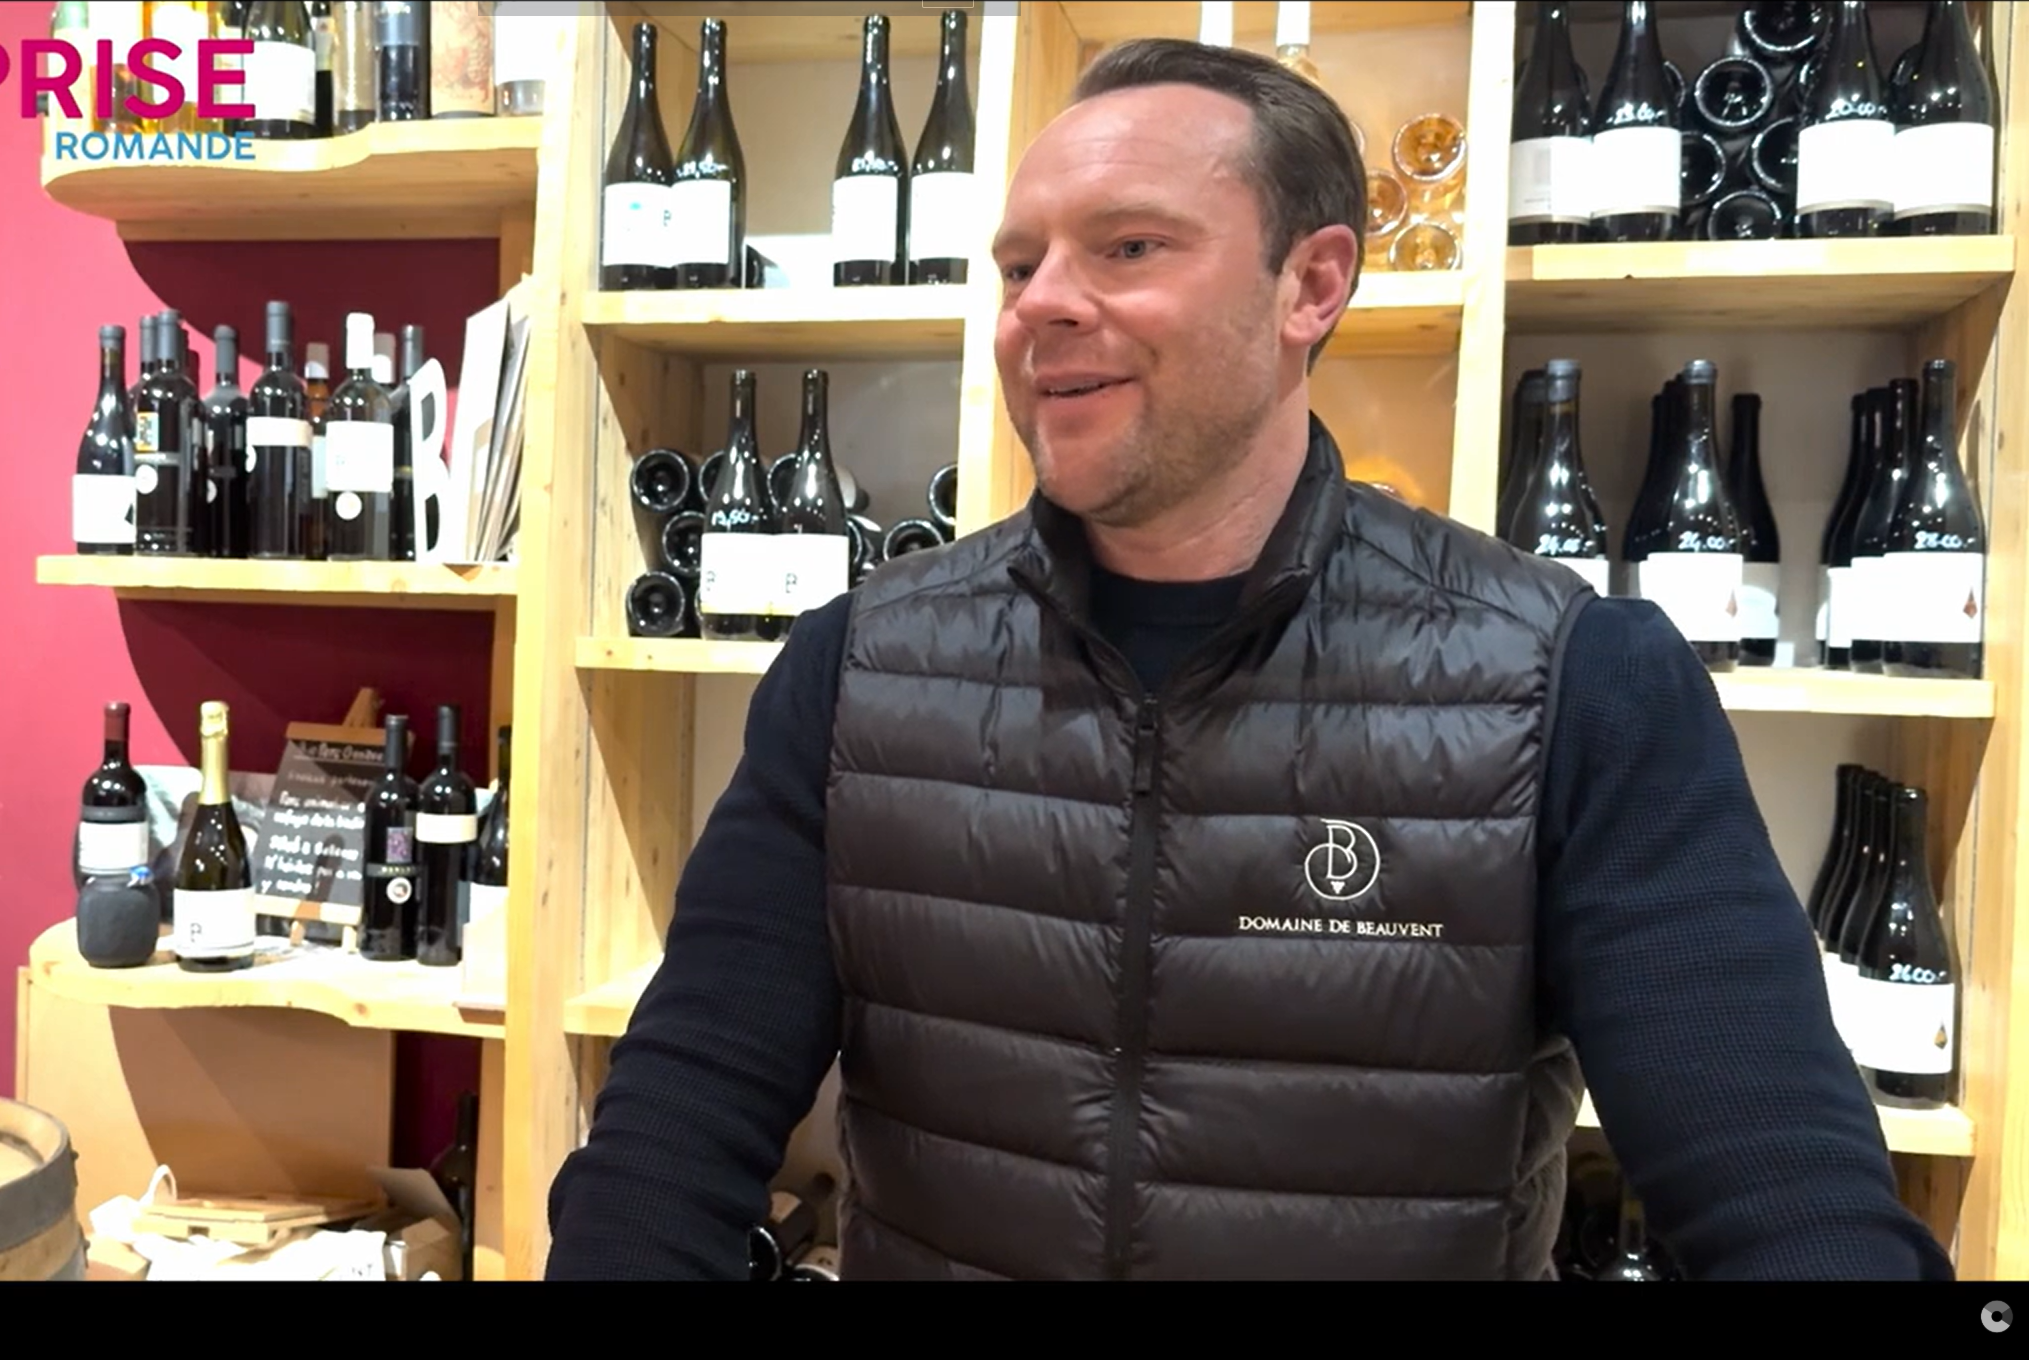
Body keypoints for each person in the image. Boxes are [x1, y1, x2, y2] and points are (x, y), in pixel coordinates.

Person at [543, 37, 1954, 1281]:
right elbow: (681, 1118)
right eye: (1021, 265)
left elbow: (1781, 1185)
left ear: (1310, 285)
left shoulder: (1571, 684)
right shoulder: (858, 667)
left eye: (1127, 249)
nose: (1040, 305)